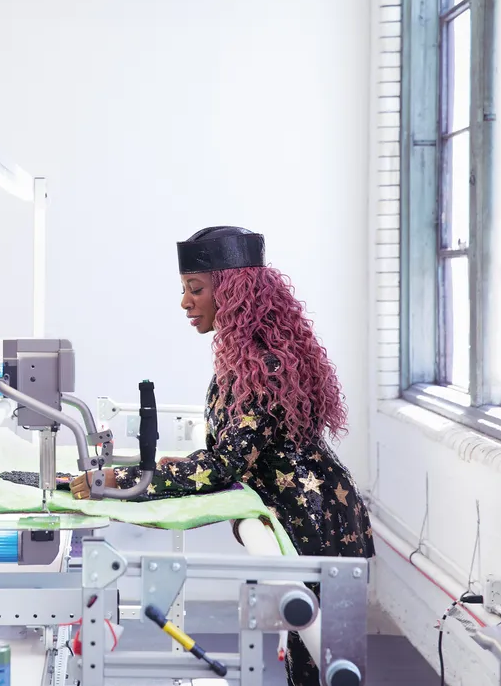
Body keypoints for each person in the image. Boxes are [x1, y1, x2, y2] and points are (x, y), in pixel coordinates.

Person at [69, 226, 374, 686]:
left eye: (196, 289)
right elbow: (227, 450)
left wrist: (122, 482)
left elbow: (224, 466)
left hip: (317, 522)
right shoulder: (244, 358)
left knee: (321, 665)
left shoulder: (267, 364)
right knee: (307, 661)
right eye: (184, 290)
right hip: (304, 514)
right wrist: (137, 475)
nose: (185, 302)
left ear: (234, 292)